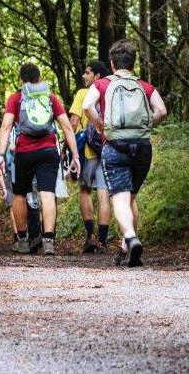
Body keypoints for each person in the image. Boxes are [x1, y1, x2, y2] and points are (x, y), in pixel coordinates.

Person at [83, 39, 167, 267]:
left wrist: (100, 125)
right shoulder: (144, 85)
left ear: (111, 64)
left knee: (120, 197)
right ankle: (125, 246)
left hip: (115, 146)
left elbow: (86, 106)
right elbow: (161, 110)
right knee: (131, 197)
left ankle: (130, 237)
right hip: (142, 146)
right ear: (132, 63)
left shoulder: (102, 85)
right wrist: (147, 125)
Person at [0, 63, 80, 255]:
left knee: (19, 194)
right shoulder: (50, 97)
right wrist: (75, 155)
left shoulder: (16, 98)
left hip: (24, 152)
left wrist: (0, 155)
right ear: (39, 78)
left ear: (21, 80)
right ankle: (48, 241)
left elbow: (6, 127)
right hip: (49, 151)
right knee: (47, 193)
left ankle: (23, 240)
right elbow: (67, 127)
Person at [68, 61, 112, 253]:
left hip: (88, 152)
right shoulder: (111, 93)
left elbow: (74, 121)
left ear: (98, 76)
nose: (84, 76)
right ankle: (103, 241)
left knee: (85, 191)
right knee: (104, 194)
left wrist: (67, 146)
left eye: (87, 73)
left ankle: (90, 237)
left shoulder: (83, 94)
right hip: (108, 149)